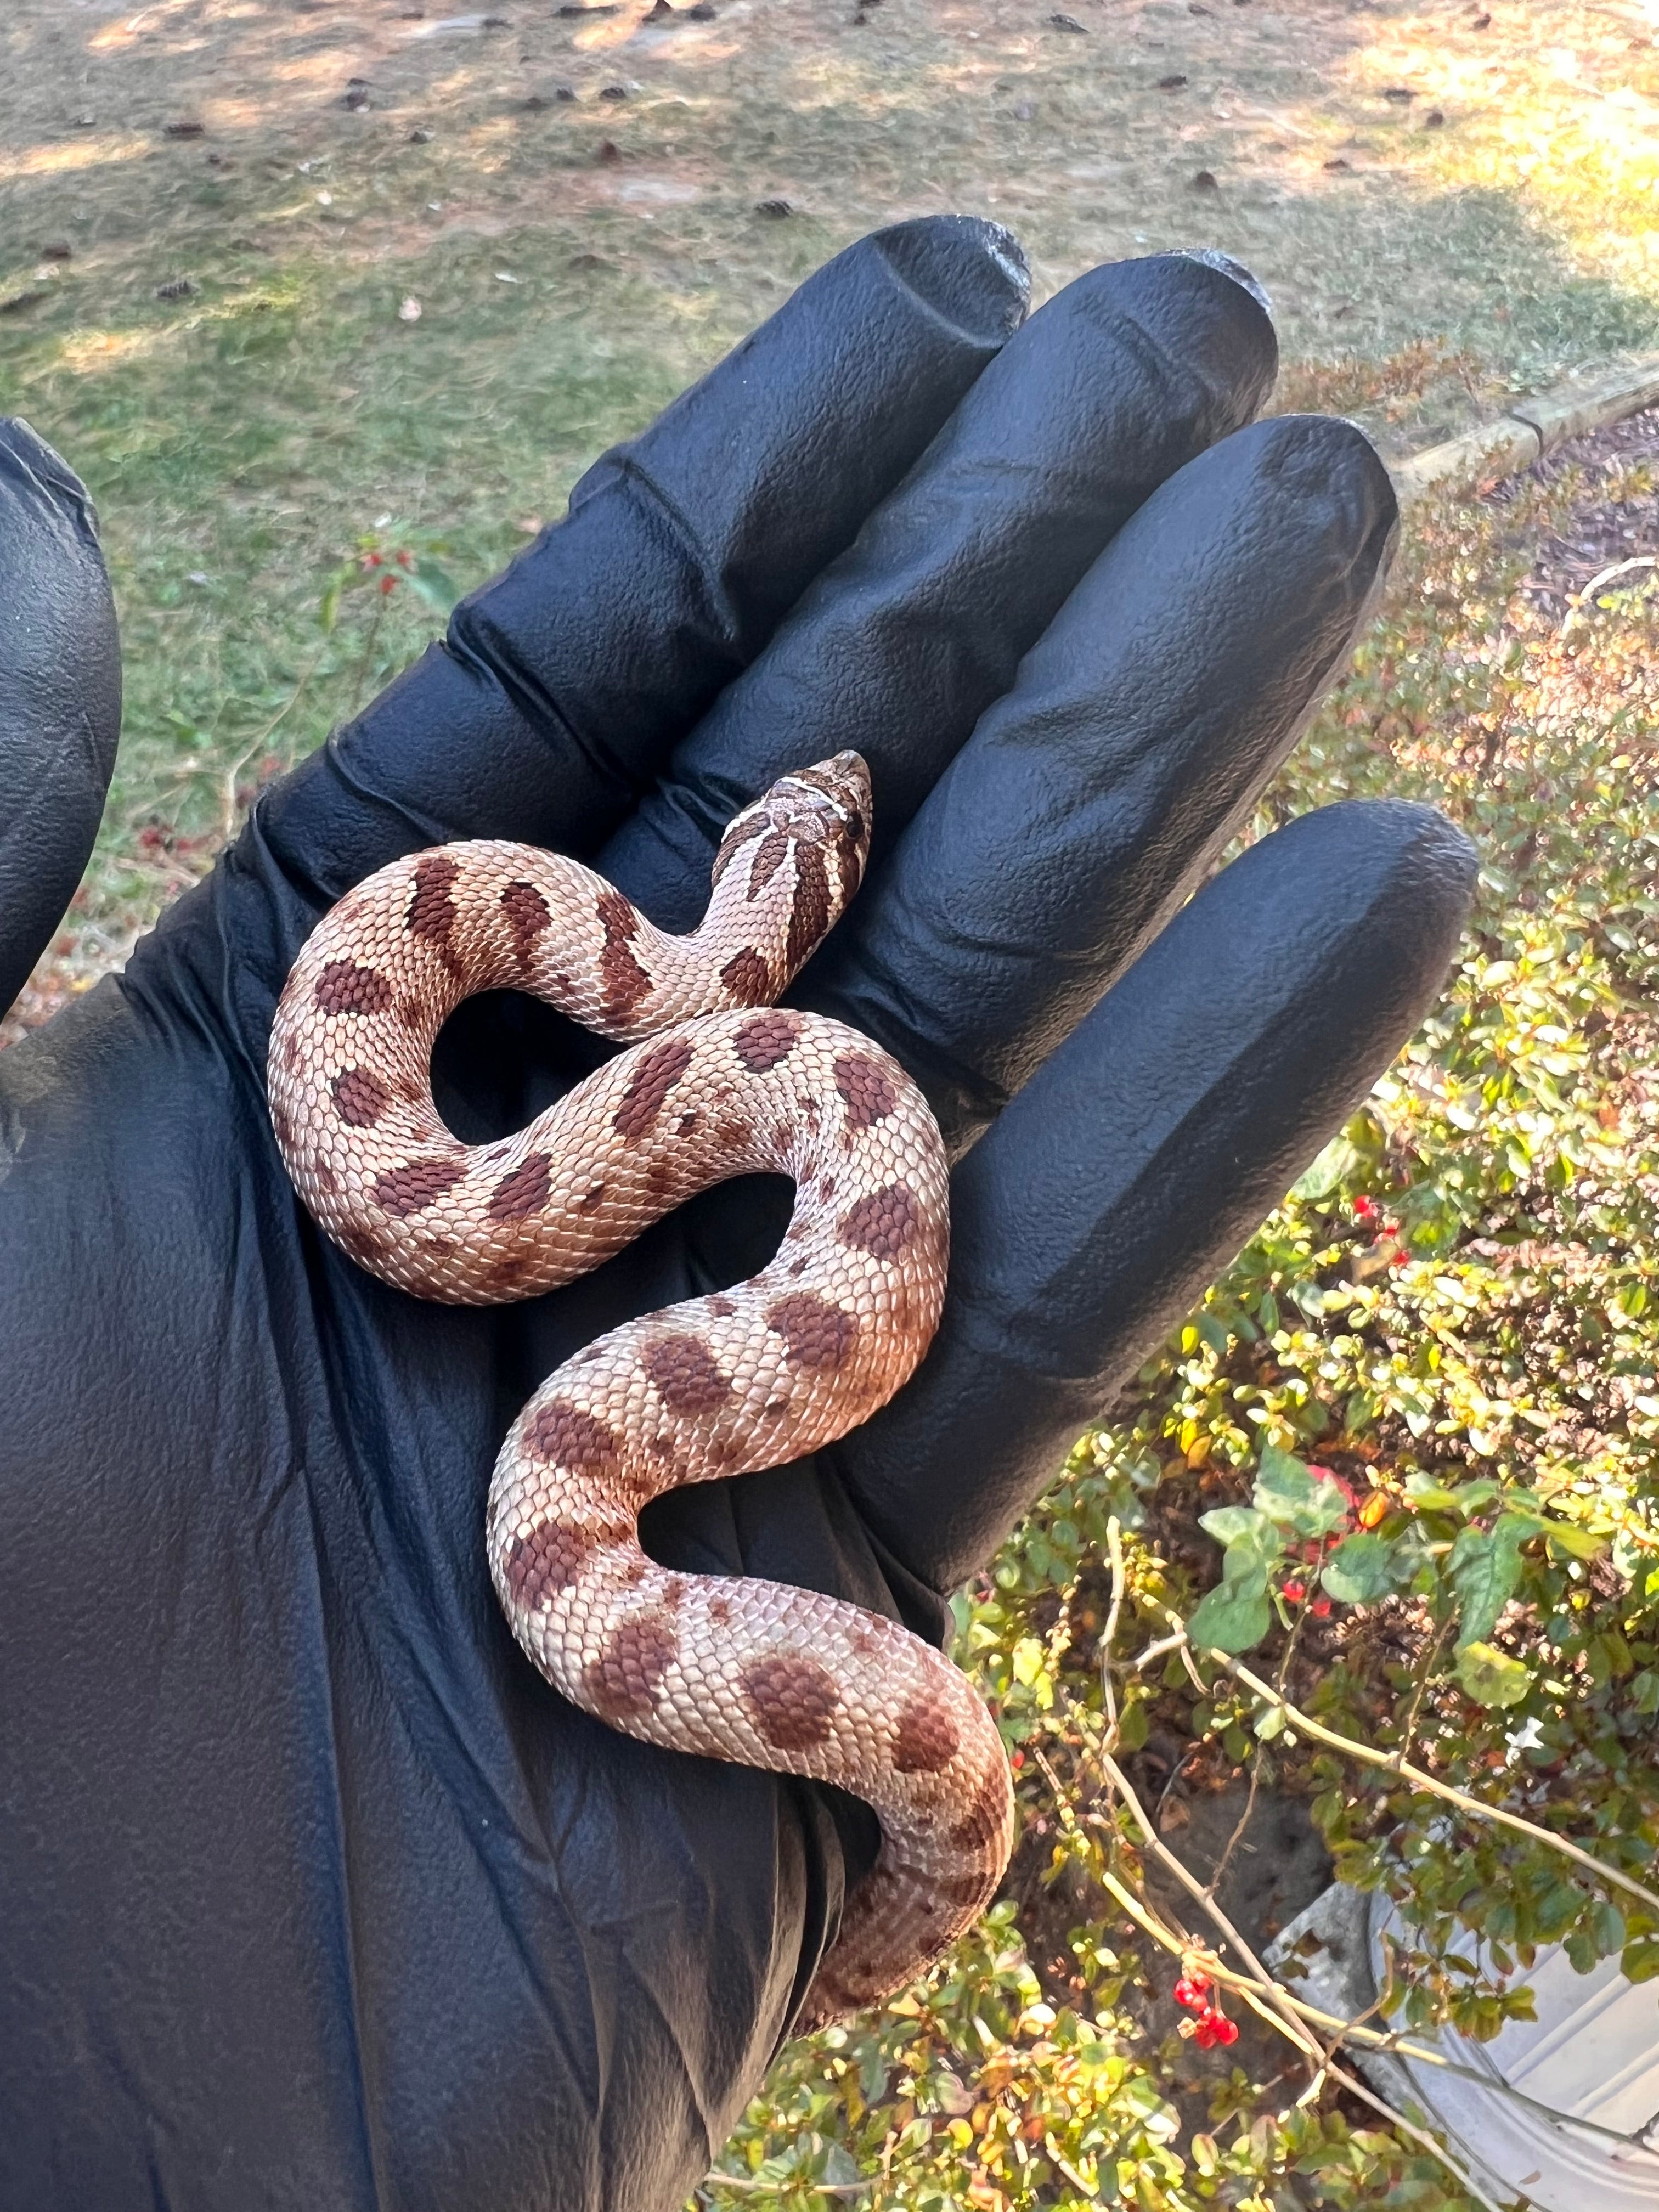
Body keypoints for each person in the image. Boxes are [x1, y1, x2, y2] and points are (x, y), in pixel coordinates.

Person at [0, 218, 1474, 2212]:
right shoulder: (629, 1007)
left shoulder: (658, 1006)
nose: (833, 811)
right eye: (827, 837)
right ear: (771, 935)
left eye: (826, 837)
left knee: (650, 1430)